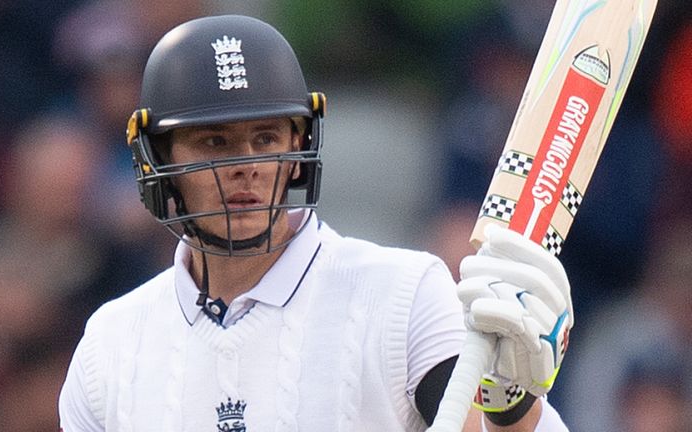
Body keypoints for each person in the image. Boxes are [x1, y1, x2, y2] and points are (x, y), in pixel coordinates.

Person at [58, 15, 572, 431]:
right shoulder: (111, 346)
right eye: (214, 142)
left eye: (265, 138)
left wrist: (508, 405)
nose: (247, 165)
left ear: (298, 148)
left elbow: (481, 424)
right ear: (158, 159)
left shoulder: (404, 293)